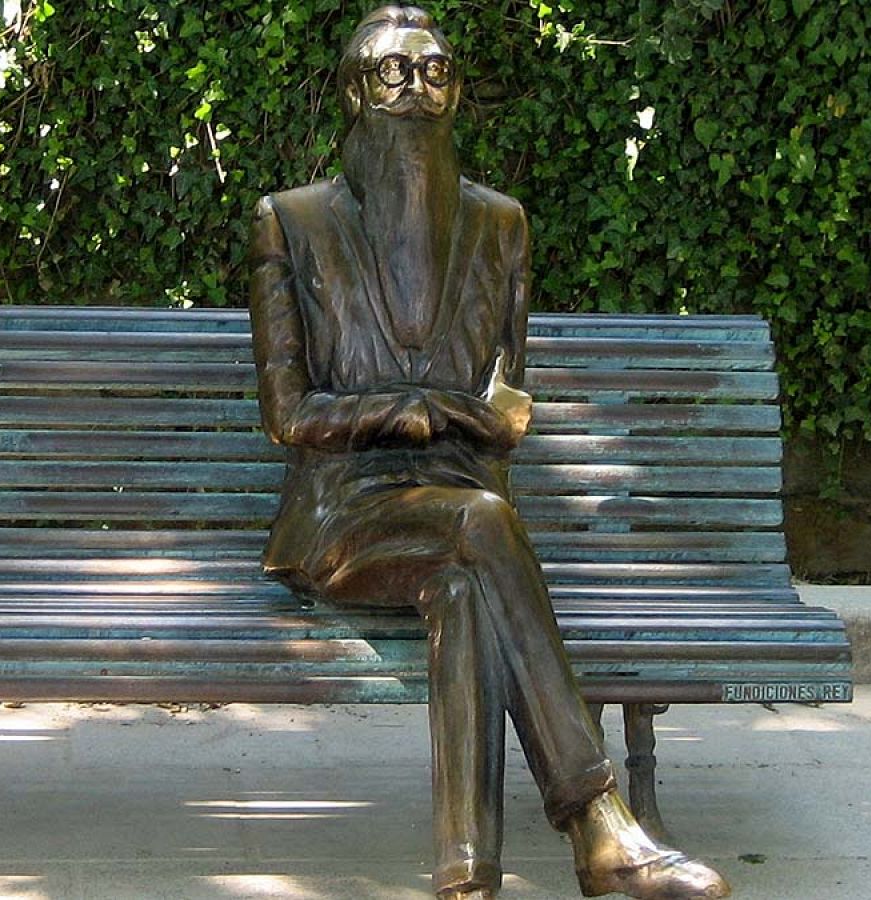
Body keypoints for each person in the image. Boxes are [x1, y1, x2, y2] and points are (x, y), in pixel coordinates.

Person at [247, 7, 730, 899]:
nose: (418, 94)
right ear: (356, 91)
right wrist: (412, 409)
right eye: (395, 75)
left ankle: (468, 879)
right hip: (341, 516)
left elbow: (507, 400)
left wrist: (491, 416)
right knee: (481, 525)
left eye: (436, 74)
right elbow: (288, 412)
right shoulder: (292, 221)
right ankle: (598, 817)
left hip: (462, 509)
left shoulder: (501, 224)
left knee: (466, 581)